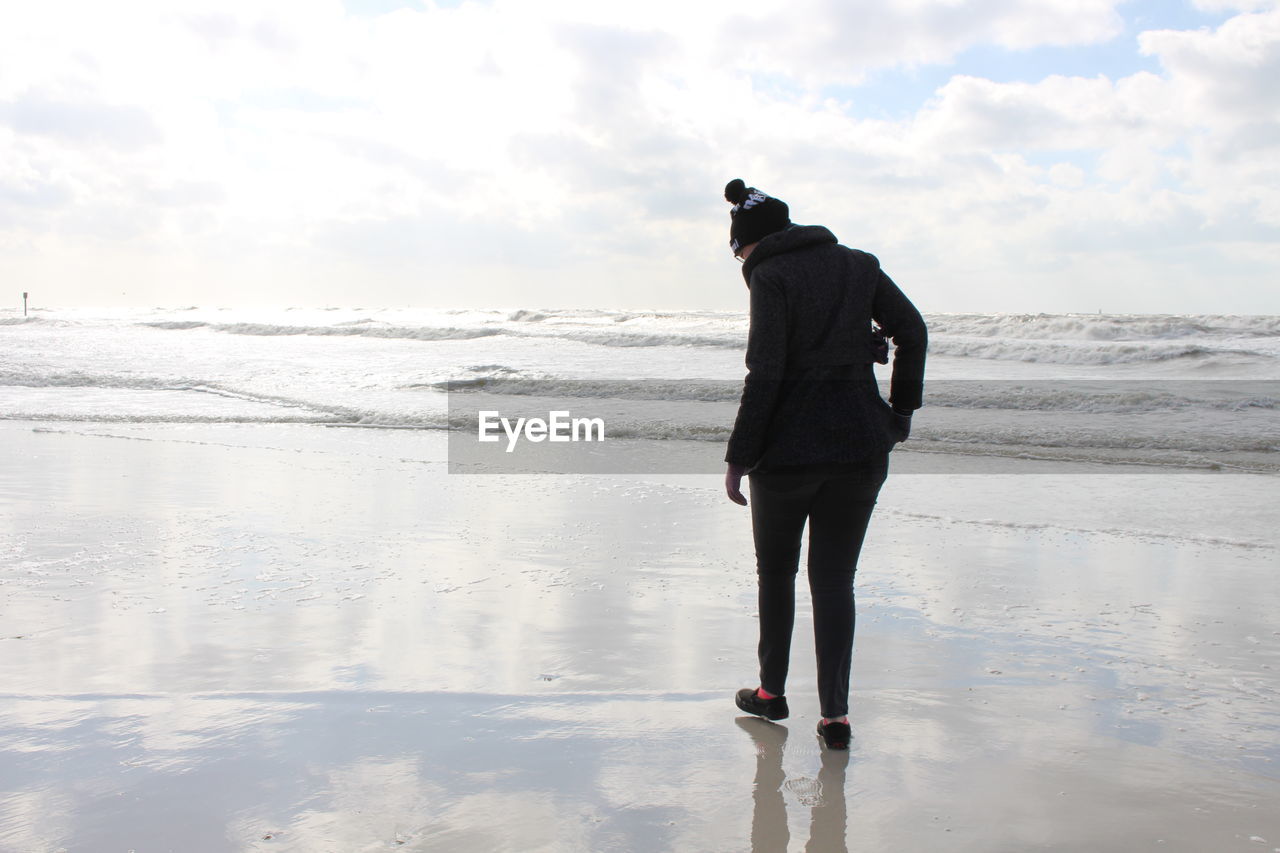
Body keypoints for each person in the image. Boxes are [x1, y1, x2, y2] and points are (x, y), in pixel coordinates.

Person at [721, 178, 927, 750]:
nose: (738, 261)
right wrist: (900, 411)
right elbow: (912, 331)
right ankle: (835, 718)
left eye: (737, 251)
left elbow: (765, 372)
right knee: (835, 581)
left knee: (777, 573)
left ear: (753, 242)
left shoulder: (771, 274)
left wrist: (739, 456)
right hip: (861, 448)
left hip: (786, 456)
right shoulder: (859, 266)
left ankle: (770, 694)